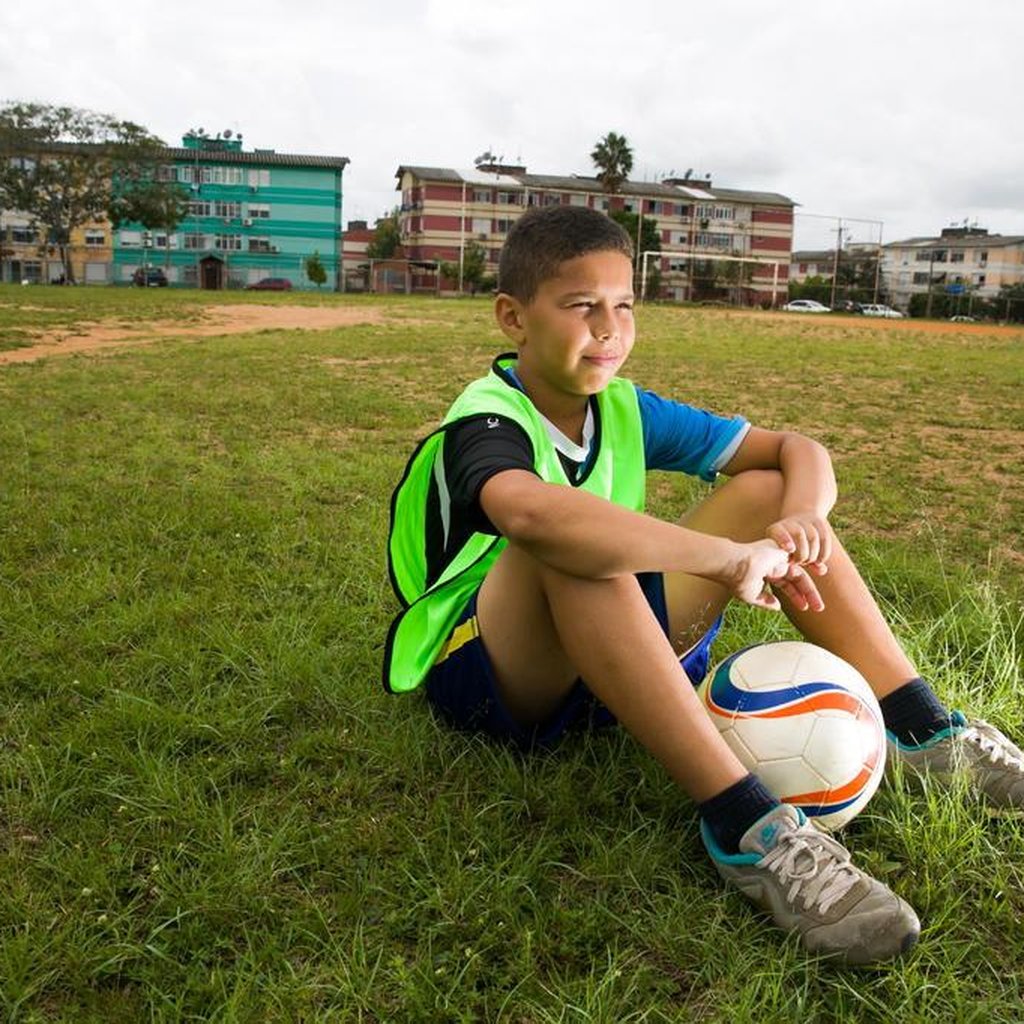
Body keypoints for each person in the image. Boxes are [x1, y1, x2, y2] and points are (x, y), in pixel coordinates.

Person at [382, 206, 1024, 966]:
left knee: (763, 494)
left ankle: (925, 731)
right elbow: (530, 512)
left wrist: (804, 518)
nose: (609, 329)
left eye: (624, 306)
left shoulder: (621, 406)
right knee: (568, 540)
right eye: (581, 306)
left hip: (614, 654)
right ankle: (750, 829)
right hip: (494, 670)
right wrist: (724, 558)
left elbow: (794, 449)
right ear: (513, 318)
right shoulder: (484, 421)